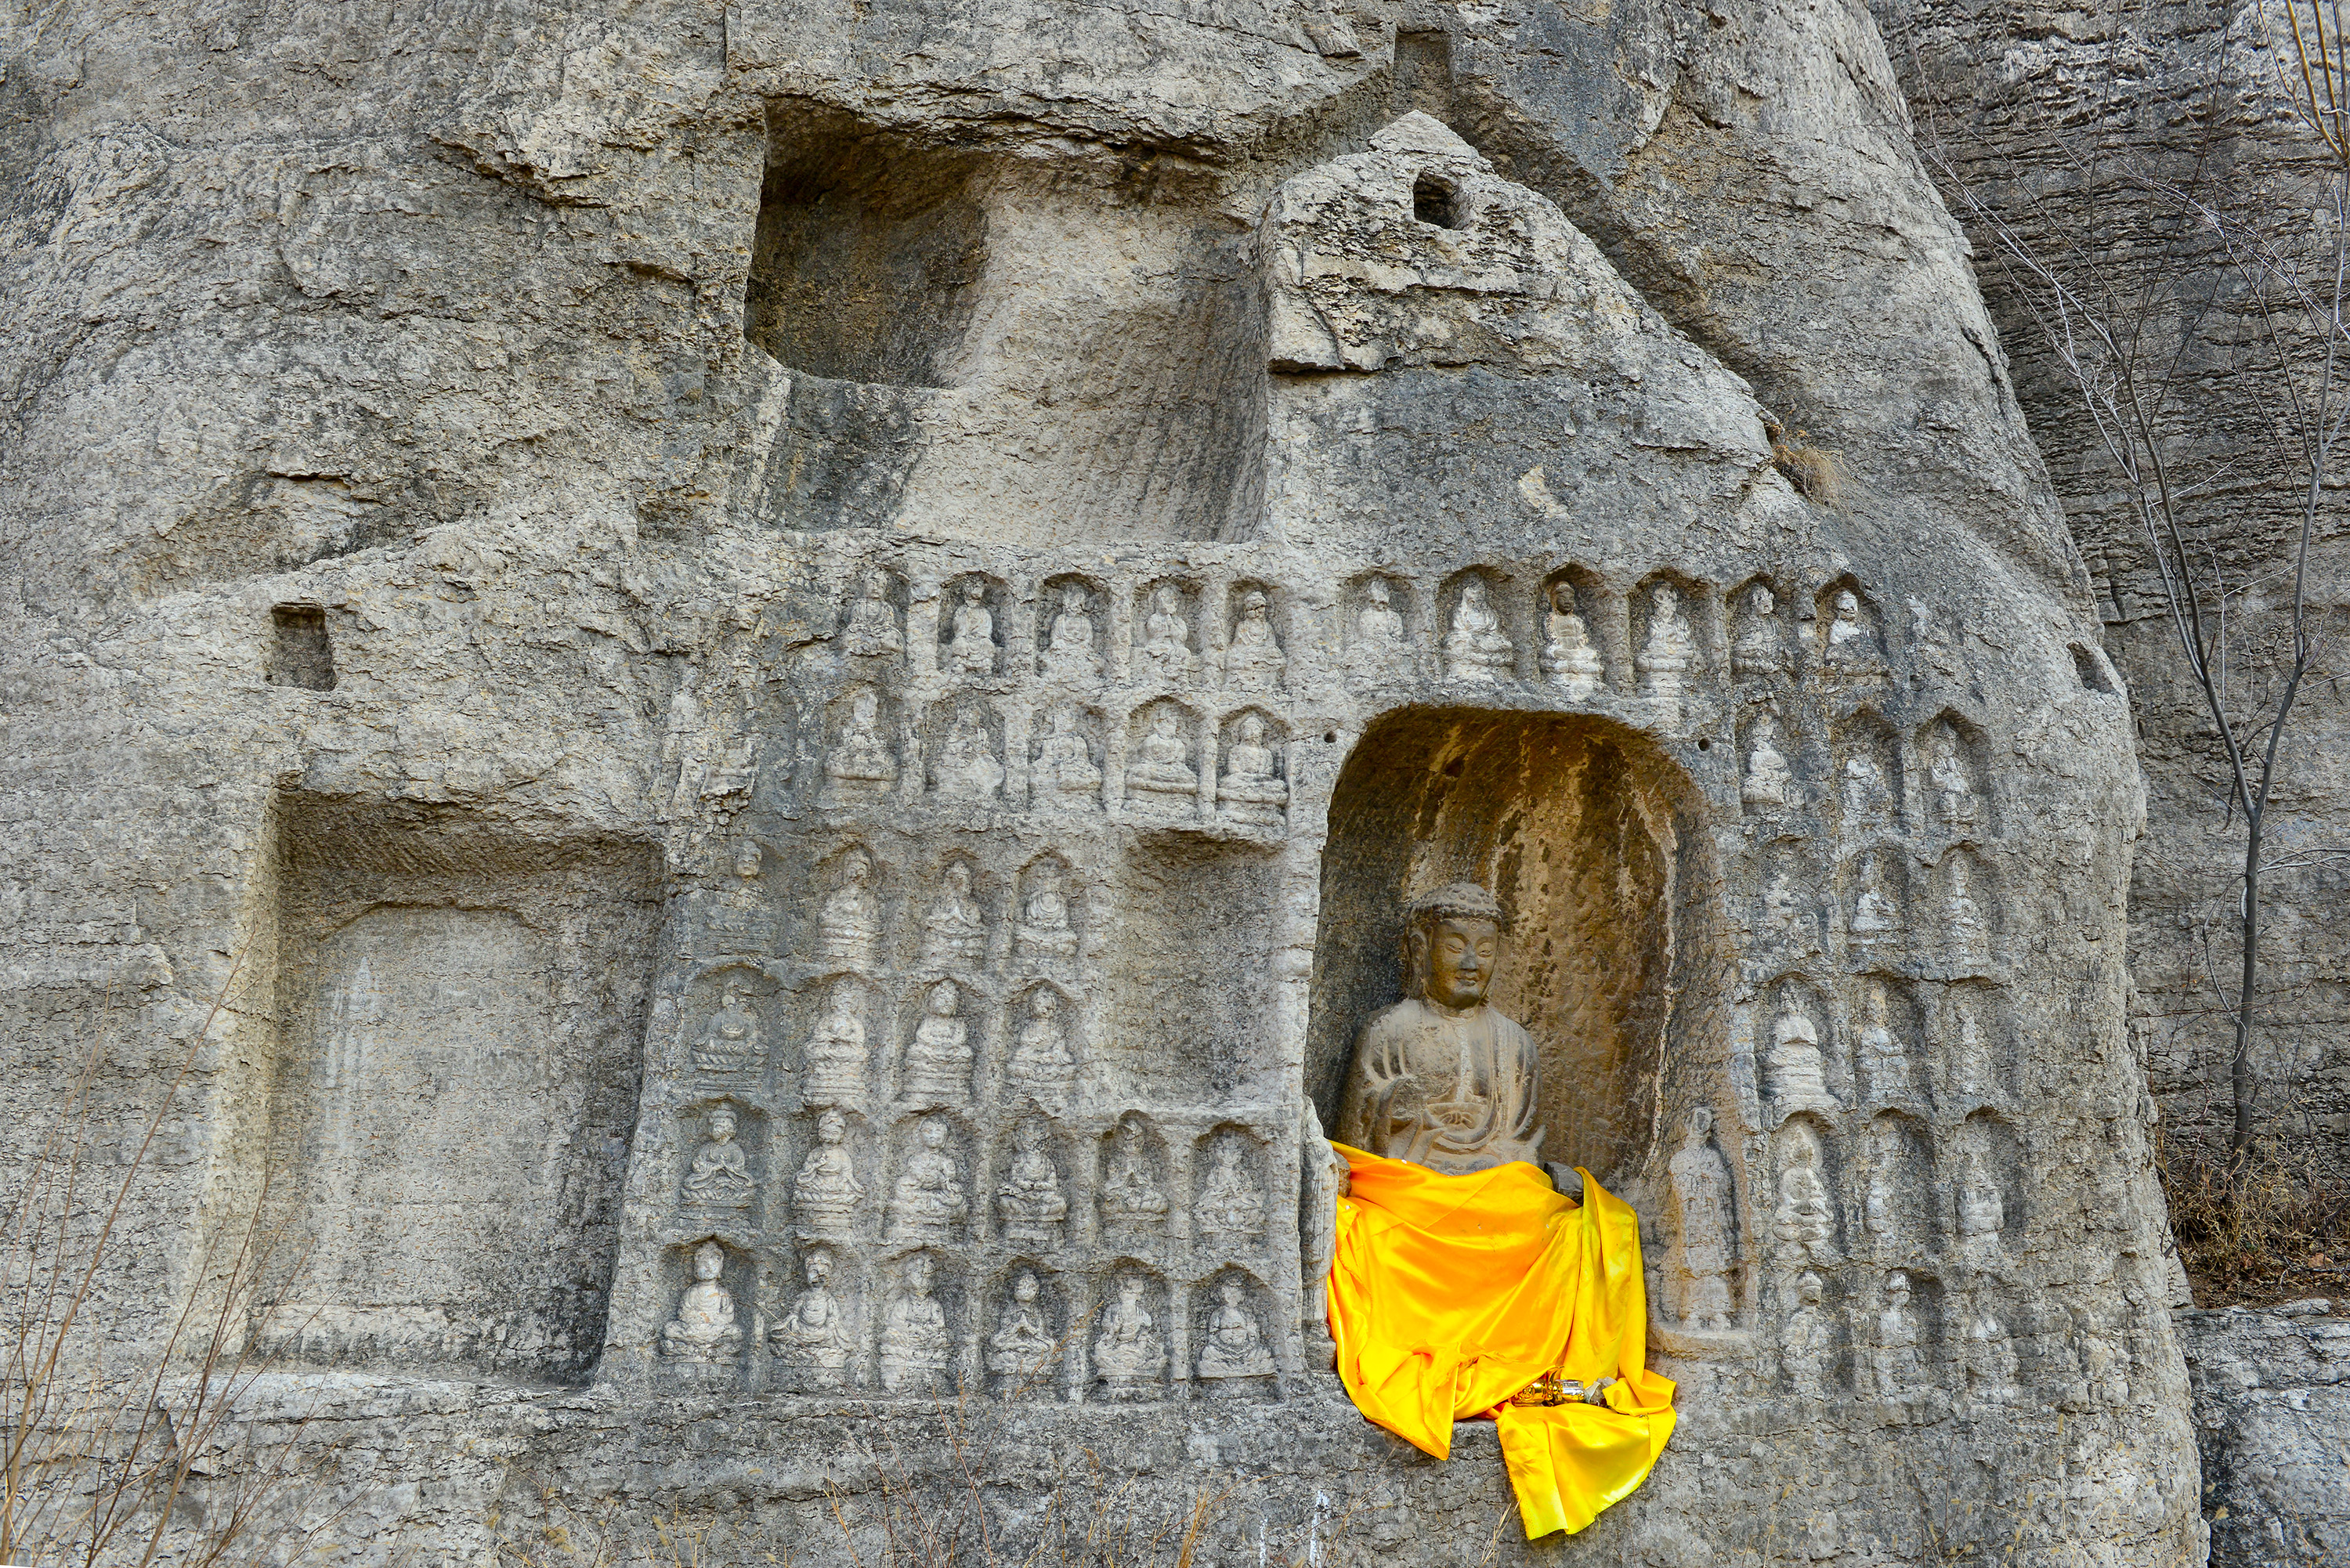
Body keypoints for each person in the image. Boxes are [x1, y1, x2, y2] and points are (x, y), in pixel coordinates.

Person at [1326, 881, 1676, 1540]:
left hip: (1490, 1189)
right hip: (1416, 1191)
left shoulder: (1512, 1040)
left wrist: (1507, 1162)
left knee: (1573, 1227)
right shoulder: (1388, 1032)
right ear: (1421, 947)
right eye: (1455, 943)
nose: (1470, 961)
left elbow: (1522, 1142)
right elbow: (1352, 1148)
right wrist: (1392, 1116)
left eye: (1485, 948)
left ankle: (1544, 1370)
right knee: (1360, 1228)